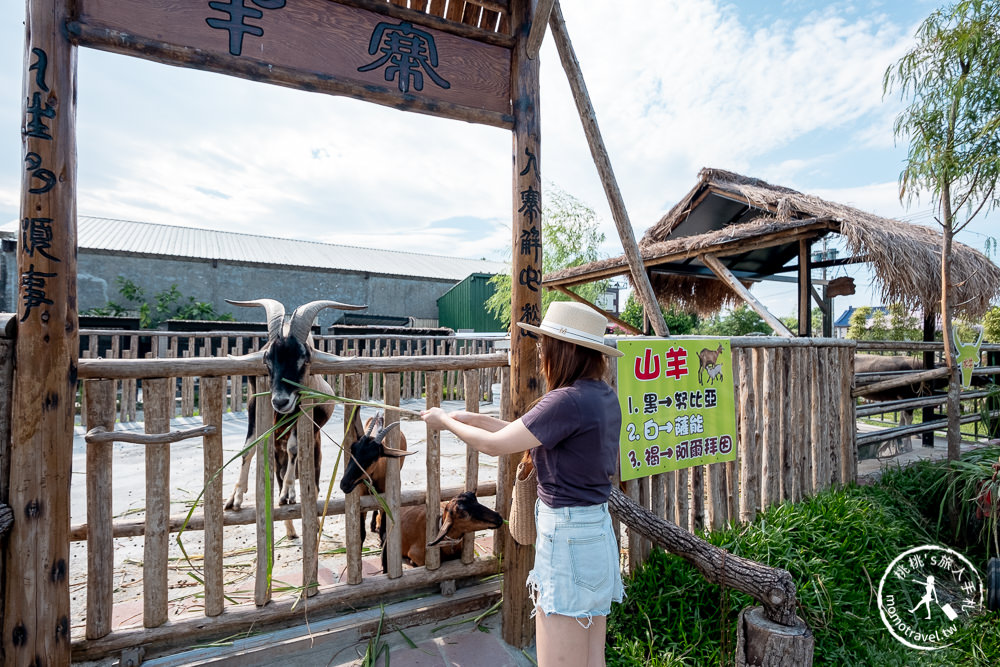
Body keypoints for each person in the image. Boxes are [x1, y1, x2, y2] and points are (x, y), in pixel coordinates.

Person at [421, 301, 625, 667]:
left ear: (565, 350)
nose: (543, 351)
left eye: (547, 344)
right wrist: (471, 418)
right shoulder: (601, 395)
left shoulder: (566, 400)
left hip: (568, 541)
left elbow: (497, 446)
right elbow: (519, 435)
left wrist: (444, 421)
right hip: (594, 534)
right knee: (592, 659)